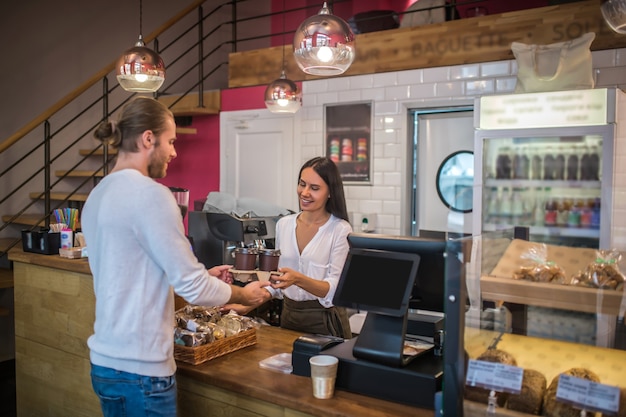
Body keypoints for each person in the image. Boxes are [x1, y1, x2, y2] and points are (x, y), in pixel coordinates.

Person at [81, 96, 270, 417]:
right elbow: (194, 288)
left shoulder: (97, 195)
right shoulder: (152, 195)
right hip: (142, 371)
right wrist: (245, 294)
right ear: (148, 139)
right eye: (170, 141)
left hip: (106, 364)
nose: (173, 151)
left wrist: (200, 276)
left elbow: (129, 274)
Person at [223, 156, 353, 338]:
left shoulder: (340, 229)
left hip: (325, 322)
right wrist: (248, 304)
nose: (305, 192)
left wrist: (298, 279)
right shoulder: (284, 224)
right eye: (302, 184)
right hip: (290, 317)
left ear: (330, 192)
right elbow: (277, 282)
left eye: (314, 188)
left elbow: (334, 290)